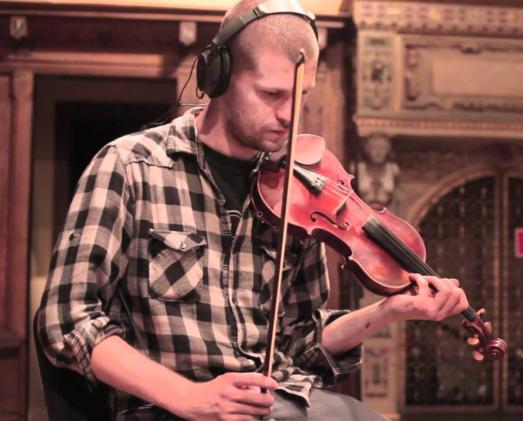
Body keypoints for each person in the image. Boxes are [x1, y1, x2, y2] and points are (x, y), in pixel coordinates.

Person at [36, 1, 470, 420]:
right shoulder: (131, 167)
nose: (289, 116)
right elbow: (67, 321)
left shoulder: (300, 193)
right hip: (172, 409)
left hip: (280, 403)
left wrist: (384, 312)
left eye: (301, 97)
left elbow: (300, 342)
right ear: (219, 77)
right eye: (272, 94)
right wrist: (190, 398)